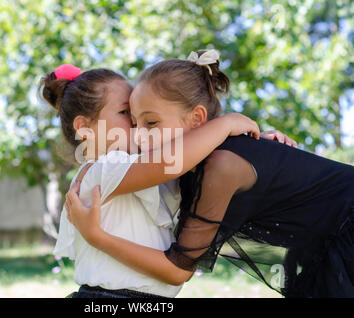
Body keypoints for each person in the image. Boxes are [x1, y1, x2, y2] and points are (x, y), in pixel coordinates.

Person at [65, 50, 354, 298]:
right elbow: (172, 163)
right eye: (132, 120)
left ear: (198, 119)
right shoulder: (181, 171)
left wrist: (96, 236)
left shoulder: (221, 164)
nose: (139, 137)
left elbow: (178, 269)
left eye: (149, 122)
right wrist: (230, 129)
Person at [40, 63, 289, 298]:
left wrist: (251, 143)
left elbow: (199, 157)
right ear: (85, 127)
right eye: (126, 112)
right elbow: (174, 161)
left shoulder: (143, 170)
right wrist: (226, 124)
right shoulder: (101, 169)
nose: (136, 125)